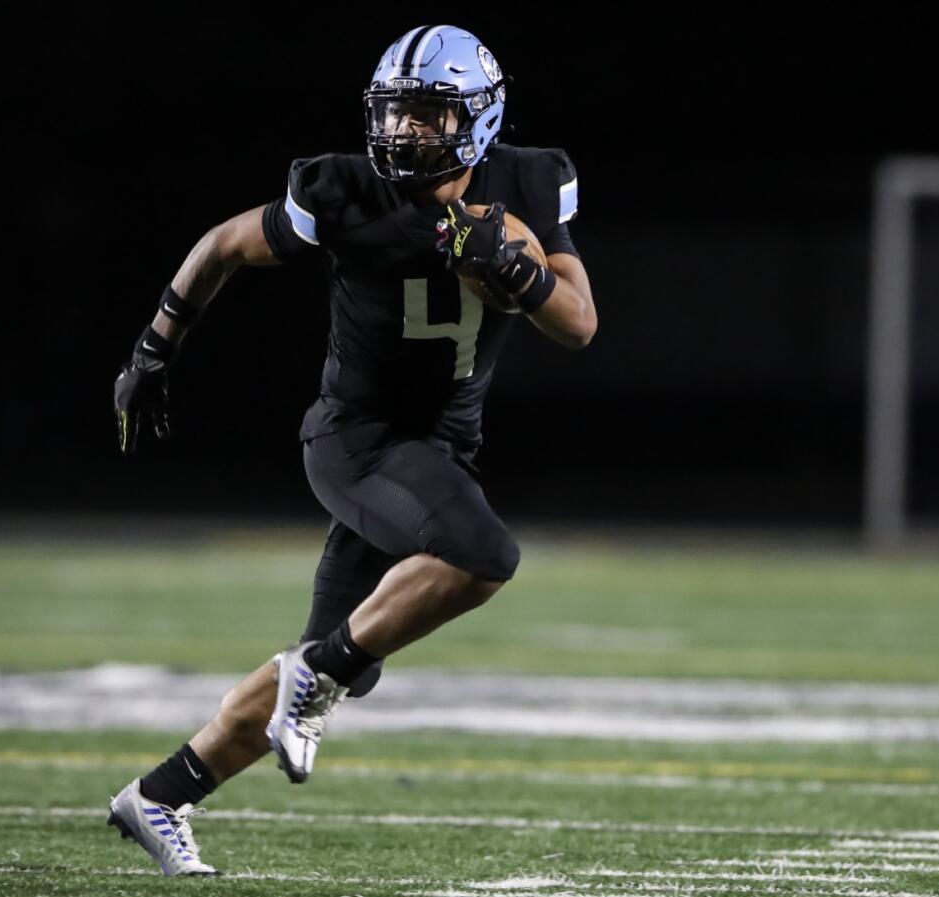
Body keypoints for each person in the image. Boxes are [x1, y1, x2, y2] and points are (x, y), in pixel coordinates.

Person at [107, 24, 596, 876]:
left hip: (441, 446)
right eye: (395, 113)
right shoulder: (344, 188)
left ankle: (158, 795)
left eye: (425, 114)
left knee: (333, 654)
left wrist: (521, 274)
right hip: (357, 440)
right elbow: (223, 244)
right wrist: (153, 349)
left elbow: (580, 323)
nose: (404, 132)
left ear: (475, 118)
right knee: (480, 554)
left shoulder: (528, 182)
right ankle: (318, 676)